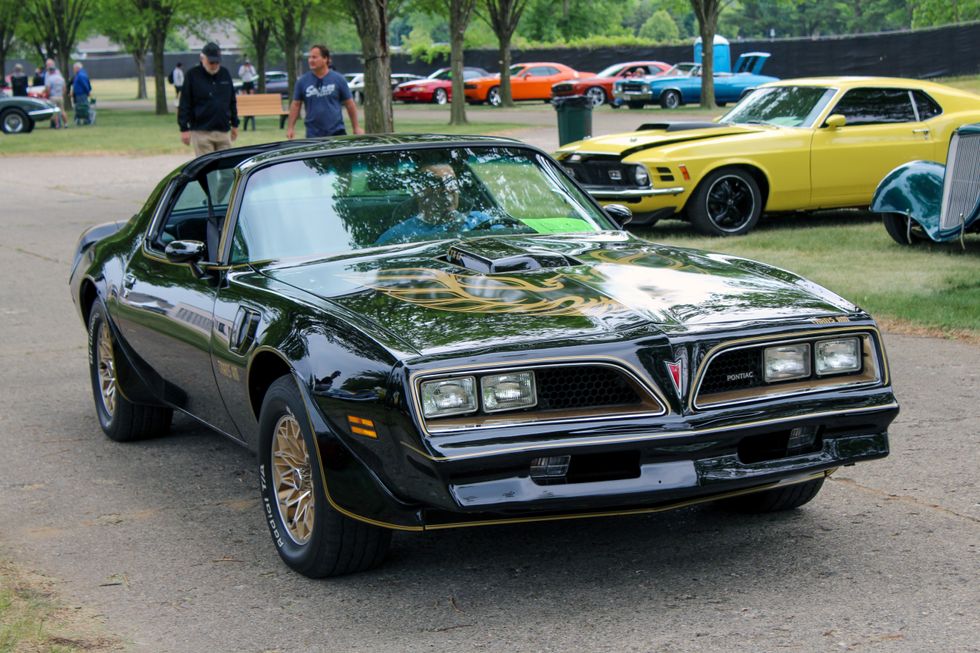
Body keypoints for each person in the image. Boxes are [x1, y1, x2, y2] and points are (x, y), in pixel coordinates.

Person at [374, 162, 496, 245]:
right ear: (419, 191)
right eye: (437, 183)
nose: (447, 189)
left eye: (451, 182)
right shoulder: (396, 236)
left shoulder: (481, 220)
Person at [286, 45, 362, 139]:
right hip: (313, 134)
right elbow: (296, 105)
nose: (310, 60)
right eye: (309, 57)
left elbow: (350, 104)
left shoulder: (338, 79)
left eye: (314, 57)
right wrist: (290, 128)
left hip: (336, 133)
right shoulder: (302, 81)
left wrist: (356, 127)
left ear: (325, 58)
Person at [177, 43, 238, 157]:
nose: (214, 65)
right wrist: (184, 128)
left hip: (223, 131)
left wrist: (235, 124)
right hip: (201, 132)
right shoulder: (192, 75)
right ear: (202, 58)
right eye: (211, 62)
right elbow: (185, 103)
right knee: (208, 171)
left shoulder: (225, 74)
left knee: (226, 170)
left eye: (217, 62)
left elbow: (232, 100)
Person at [43, 62, 67, 128]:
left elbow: (47, 89)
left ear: (50, 71)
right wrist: (62, 94)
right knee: (62, 110)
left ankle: (57, 125)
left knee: (54, 111)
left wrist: (48, 95)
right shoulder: (61, 78)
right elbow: (64, 88)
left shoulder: (49, 79)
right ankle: (65, 124)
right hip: (60, 96)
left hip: (53, 97)